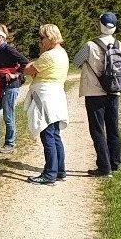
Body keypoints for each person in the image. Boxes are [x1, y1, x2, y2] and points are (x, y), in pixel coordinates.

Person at [72, 12, 121, 177]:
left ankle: (104, 167)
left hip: (94, 92)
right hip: (114, 90)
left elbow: (76, 61)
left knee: (98, 129)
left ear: (100, 25)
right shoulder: (118, 44)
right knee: (113, 128)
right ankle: (115, 163)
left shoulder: (90, 45)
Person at [25, 24, 70, 185]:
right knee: (55, 134)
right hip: (56, 95)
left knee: (47, 135)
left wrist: (31, 66)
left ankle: (50, 173)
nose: (41, 41)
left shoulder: (48, 56)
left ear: (50, 37)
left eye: (42, 38)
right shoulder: (62, 53)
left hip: (45, 97)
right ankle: (60, 171)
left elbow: (29, 70)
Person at [0, 24, 29, 153]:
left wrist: (16, 74)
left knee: (8, 115)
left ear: (1, 38)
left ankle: (10, 143)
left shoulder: (9, 49)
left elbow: (25, 62)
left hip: (10, 86)